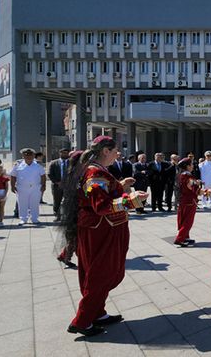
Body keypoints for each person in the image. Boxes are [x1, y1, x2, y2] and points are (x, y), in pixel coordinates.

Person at [61, 136, 146, 337]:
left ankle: (97, 313)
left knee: (101, 272)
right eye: (116, 149)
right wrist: (132, 200)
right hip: (101, 229)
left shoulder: (95, 169)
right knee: (101, 274)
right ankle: (82, 320)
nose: (119, 153)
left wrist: (121, 184)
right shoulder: (94, 172)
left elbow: (102, 194)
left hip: (103, 228)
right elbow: (102, 207)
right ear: (105, 151)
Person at [57, 150, 83, 269]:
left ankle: (65, 255)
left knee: (74, 236)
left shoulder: (72, 171)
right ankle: (66, 256)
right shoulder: (76, 174)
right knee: (74, 235)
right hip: (74, 208)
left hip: (72, 207)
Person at [174, 157, 206, 247]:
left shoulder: (181, 175)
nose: (192, 166)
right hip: (189, 201)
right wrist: (205, 192)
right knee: (188, 221)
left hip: (184, 200)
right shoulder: (187, 176)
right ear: (187, 166)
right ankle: (179, 239)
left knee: (184, 219)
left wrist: (197, 183)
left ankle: (185, 237)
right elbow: (194, 188)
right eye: (191, 164)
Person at [10, 148, 46, 225]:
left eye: (30, 155)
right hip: (22, 188)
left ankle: (34, 218)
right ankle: (23, 219)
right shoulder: (18, 164)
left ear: (33, 156)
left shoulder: (38, 165)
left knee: (35, 203)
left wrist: (44, 185)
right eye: (26, 154)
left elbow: (43, 175)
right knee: (22, 203)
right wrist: (12, 186)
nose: (28, 156)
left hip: (35, 187)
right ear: (23, 155)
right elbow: (13, 176)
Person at [48, 148, 70, 221]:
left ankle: (67, 215)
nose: (64, 154)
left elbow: (75, 173)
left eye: (66, 152)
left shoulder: (72, 163)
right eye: (62, 153)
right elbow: (50, 174)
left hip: (68, 185)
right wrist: (57, 182)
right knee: (57, 200)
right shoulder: (54, 163)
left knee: (68, 201)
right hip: (57, 185)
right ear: (59, 153)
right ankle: (57, 215)